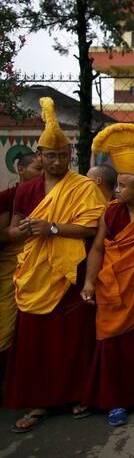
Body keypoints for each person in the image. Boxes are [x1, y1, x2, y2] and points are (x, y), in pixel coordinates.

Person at [4, 98, 107, 433]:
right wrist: (24, 229)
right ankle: (39, 402)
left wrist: (52, 227)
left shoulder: (82, 187)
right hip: (35, 272)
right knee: (36, 341)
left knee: (72, 337)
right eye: (52, 155)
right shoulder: (27, 190)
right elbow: (15, 228)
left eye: (64, 155)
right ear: (40, 156)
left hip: (69, 272)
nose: (59, 160)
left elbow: (91, 227)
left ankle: (78, 394)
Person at [80, 124, 134, 427]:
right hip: (111, 289)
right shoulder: (111, 212)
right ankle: (113, 400)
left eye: (121, 187)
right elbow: (98, 250)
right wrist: (90, 282)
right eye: (116, 187)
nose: (115, 191)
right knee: (111, 347)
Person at [0, 152, 42, 398]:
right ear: (22, 170)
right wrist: (23, 230)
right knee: (7, 324)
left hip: (41, 267)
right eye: (38, 167)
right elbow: (2, 235)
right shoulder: (10, 197)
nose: (42, 172)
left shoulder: (51, 194)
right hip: (13, 266)